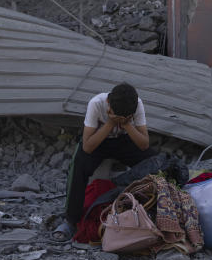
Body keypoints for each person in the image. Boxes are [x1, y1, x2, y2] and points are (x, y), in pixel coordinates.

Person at [54, 82, 157, 241]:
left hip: (124, 141)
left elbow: (144, 144)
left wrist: (126, 123)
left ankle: (152, 211)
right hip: (99, 141)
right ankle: (71, 220)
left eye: (128, 116)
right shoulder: (96, 103)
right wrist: (110, 123)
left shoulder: (137, 105)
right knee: (79, 164)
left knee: (153, 162)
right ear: (108, 103)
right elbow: (88, 146)